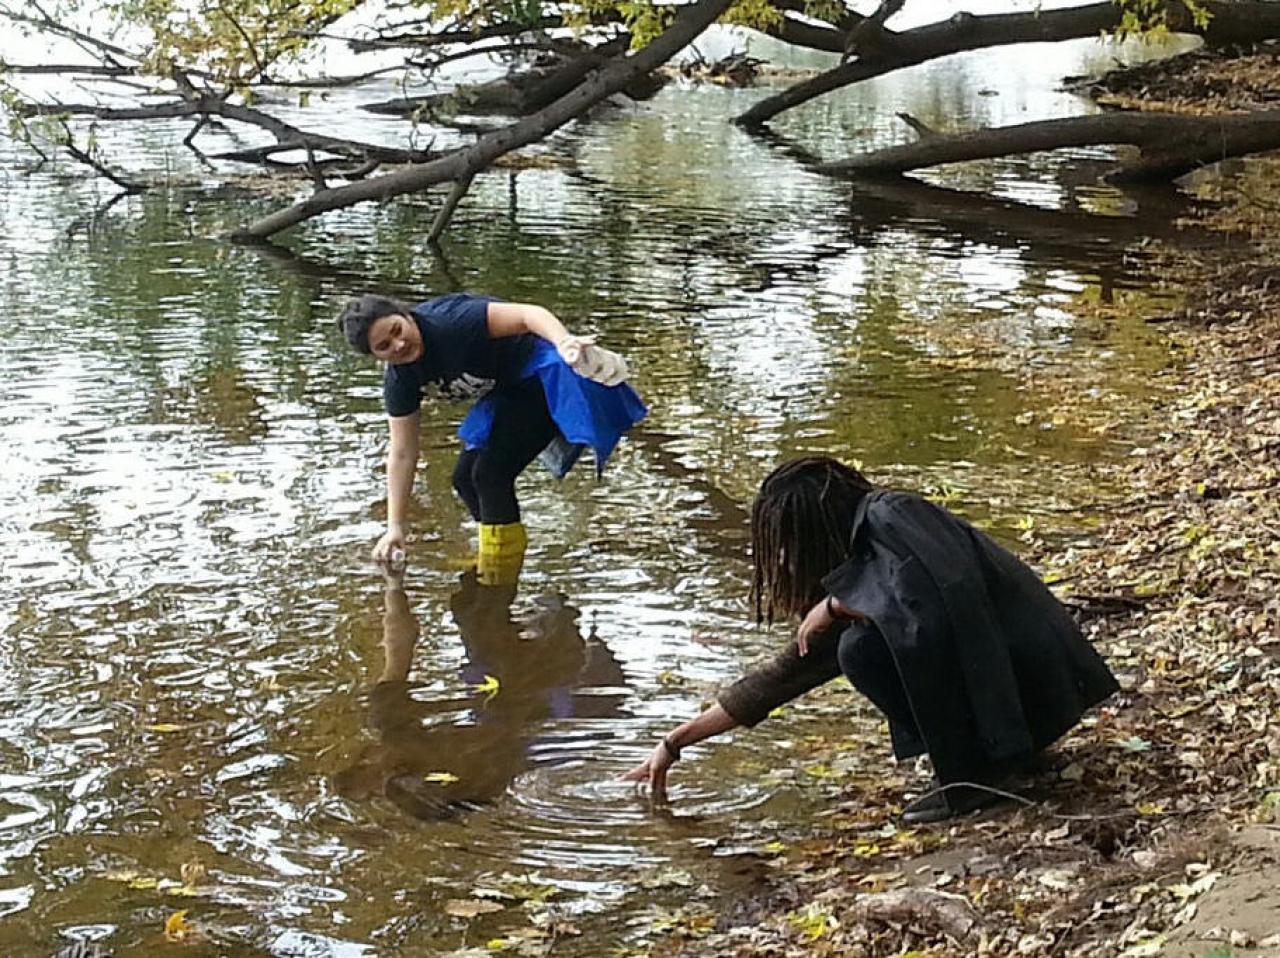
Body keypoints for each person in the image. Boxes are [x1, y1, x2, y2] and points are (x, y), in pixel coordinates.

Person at [623, 457, 1119, 823]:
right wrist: (673, 743)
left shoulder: (890, 512)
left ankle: (979, 777)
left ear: (814, 526)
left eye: (789, 541)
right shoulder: (862, 571)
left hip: (1036, 684)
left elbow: (933, 594)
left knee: (859, 650)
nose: (787, 559)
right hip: (1021, 701)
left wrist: (836, 604)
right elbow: (778, 679)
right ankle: (994, 762)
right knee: (855, 644)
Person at [337, 293, 647, 583]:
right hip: (507, 390)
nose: (399, 344)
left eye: (396, 329)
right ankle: (496, 553)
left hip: (542, 375)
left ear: (406, 314)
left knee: (490, 474)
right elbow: (403, 453)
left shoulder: (454, 322)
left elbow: (528, 315)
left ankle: (501, 575)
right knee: (463, 478)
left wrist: (565, 342)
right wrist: (395, 528)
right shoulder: (400, 380)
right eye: (384, 346)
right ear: (376, 357)